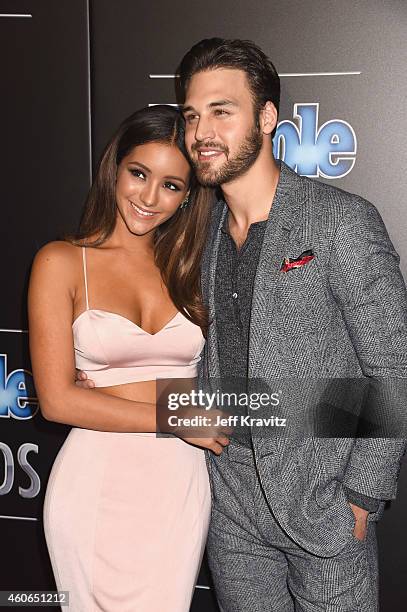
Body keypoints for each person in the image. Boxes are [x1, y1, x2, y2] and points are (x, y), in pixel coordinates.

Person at [176, 39, 406, 611]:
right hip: (232, 512)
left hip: (324, 508)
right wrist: (181, 417)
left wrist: (361, 495)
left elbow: (391, 364)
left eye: (221, 112)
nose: (202, 130)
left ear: (268, 118)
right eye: (191, 115)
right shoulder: (197, 239)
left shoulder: (340, 220)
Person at [28, 105, 229, 612]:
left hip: (178, 488)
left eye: (171, 185)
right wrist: (177, 418)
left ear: (188, 197)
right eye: (139, 173)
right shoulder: (62, 262)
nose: (148, 197)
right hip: (97, 483)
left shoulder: (194, 269)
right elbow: (56, 401)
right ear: (115, 168)